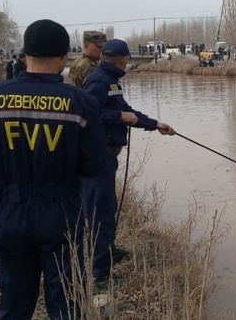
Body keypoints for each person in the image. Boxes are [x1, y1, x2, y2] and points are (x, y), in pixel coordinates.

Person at [0, 19, 106, 319]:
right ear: (65, 57)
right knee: (67, 303)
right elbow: (94, 166)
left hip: (9, 214)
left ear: (24, 54)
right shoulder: (81, 105)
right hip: (62, 215)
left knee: (13, 303)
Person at [82, 39, 176, 289]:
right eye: (127, 60)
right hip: (97, 157)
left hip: (107, 157)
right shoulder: (98, 81)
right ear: (123, 60)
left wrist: (156, 125)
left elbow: (128, 111)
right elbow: (87, 115)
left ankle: (109, 250)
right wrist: (118, 116)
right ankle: (101, 277)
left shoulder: (111, 81)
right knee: (100, 214)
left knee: (108, 207)